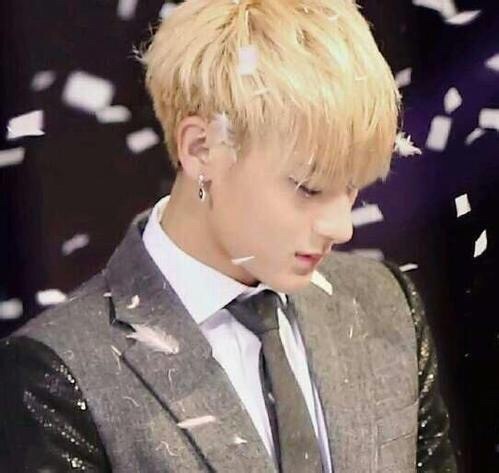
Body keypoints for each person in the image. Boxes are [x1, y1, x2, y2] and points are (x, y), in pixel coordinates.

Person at [0, 0, 457, 471]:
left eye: (352, 187)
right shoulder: (58, 373)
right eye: (309, 188)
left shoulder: (385, 304)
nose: (341, 227)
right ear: (202, 149)